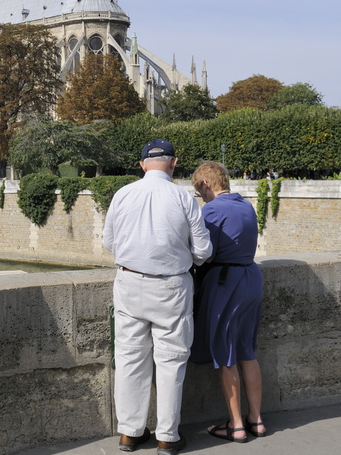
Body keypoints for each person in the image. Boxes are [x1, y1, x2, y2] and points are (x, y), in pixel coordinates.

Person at [103, 139, 212, 454]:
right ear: (174, 163)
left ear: (141, 165)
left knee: (129, 358)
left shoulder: (122, 194)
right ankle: (167, 436)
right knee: (171, 360)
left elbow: (110, 241)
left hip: (128, 282)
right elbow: (203, 251)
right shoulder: (182, 198)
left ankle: (130, 433)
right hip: (170, 286)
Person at [190, 161, 266, 443]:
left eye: (199, 192)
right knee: (248, 351)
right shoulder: (246, 205)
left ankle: (235, 425)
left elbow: (204, 254)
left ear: (205, 185)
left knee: (226, 355)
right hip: (251, 277)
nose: (200, 198)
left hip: (225, 281)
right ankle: (256, 420)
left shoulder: (211, 209)